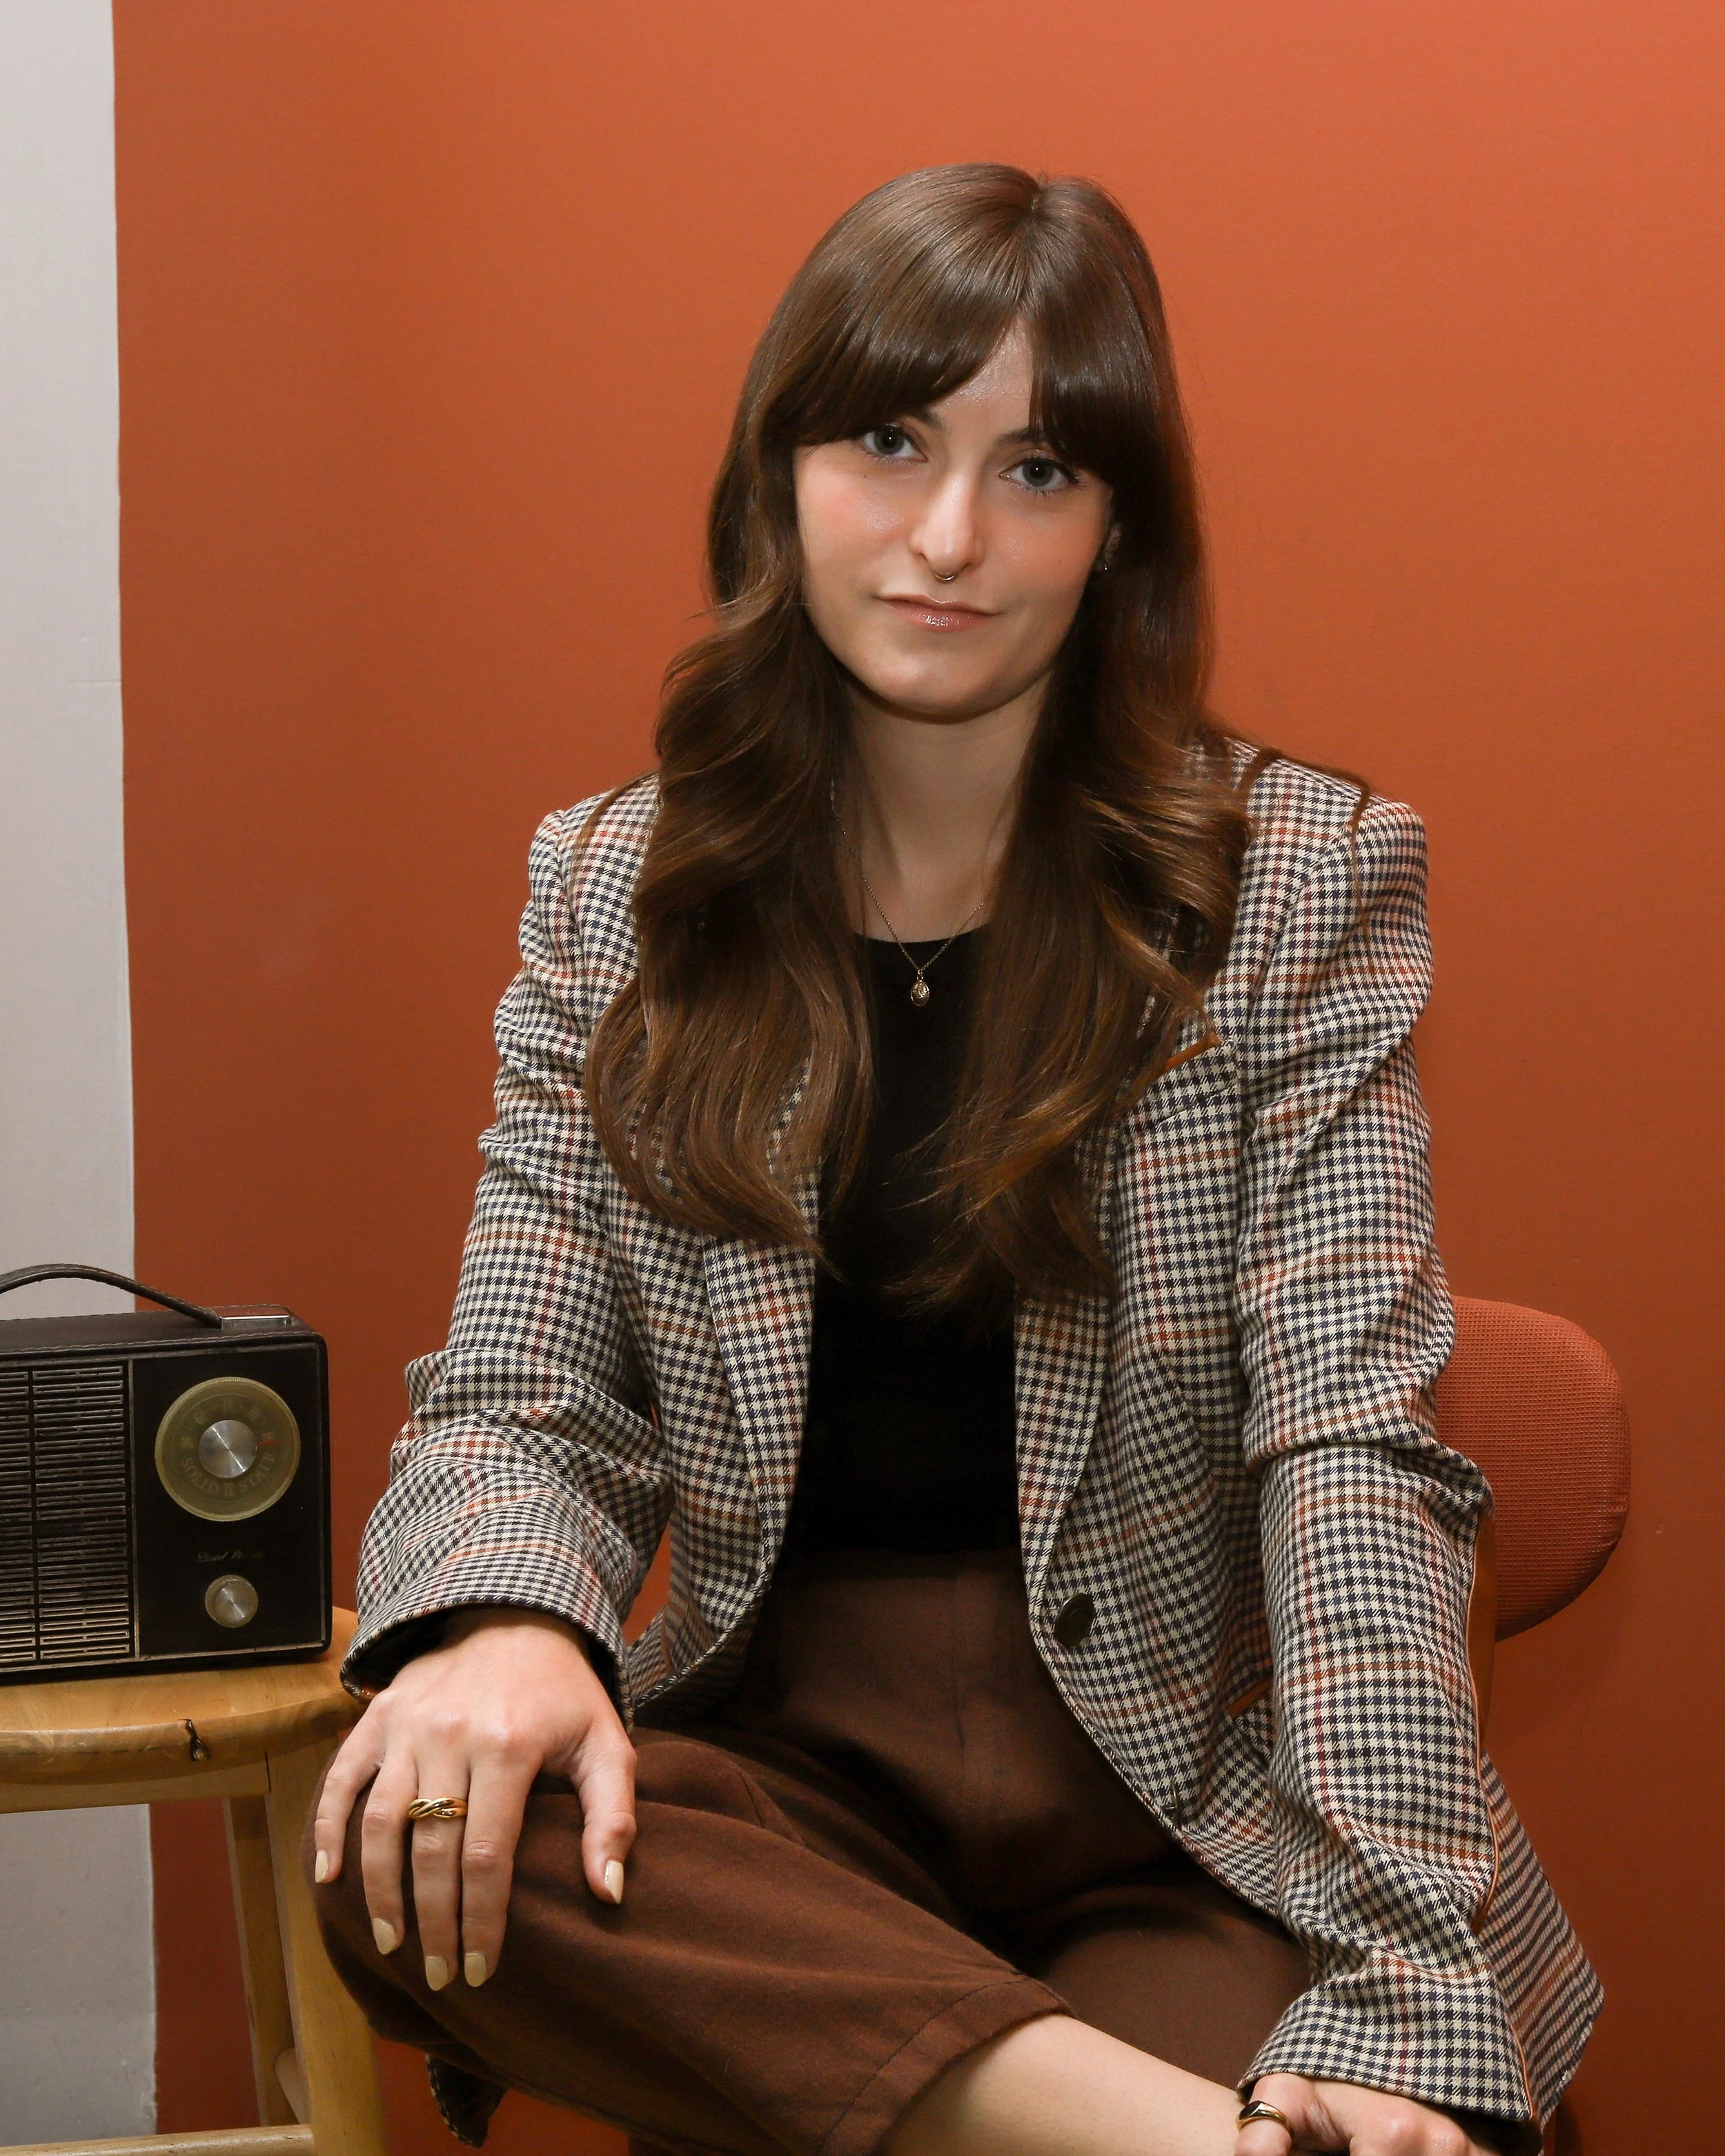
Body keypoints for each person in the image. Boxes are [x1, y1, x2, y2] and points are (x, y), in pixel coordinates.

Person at [310, 165, 1598, 2156]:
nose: (943, 537)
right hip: (789, 1802)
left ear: (1116, 531)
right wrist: (504, 1627)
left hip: (1165, 1798)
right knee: (425, 1810)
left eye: (1034, 469)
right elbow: (523, 1383)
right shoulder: (617, 892)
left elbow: (1351, 1449)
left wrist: (1410, 1971)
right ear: (781, 472)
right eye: (889, 440)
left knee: (1080, 2076)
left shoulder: (1295, 886)